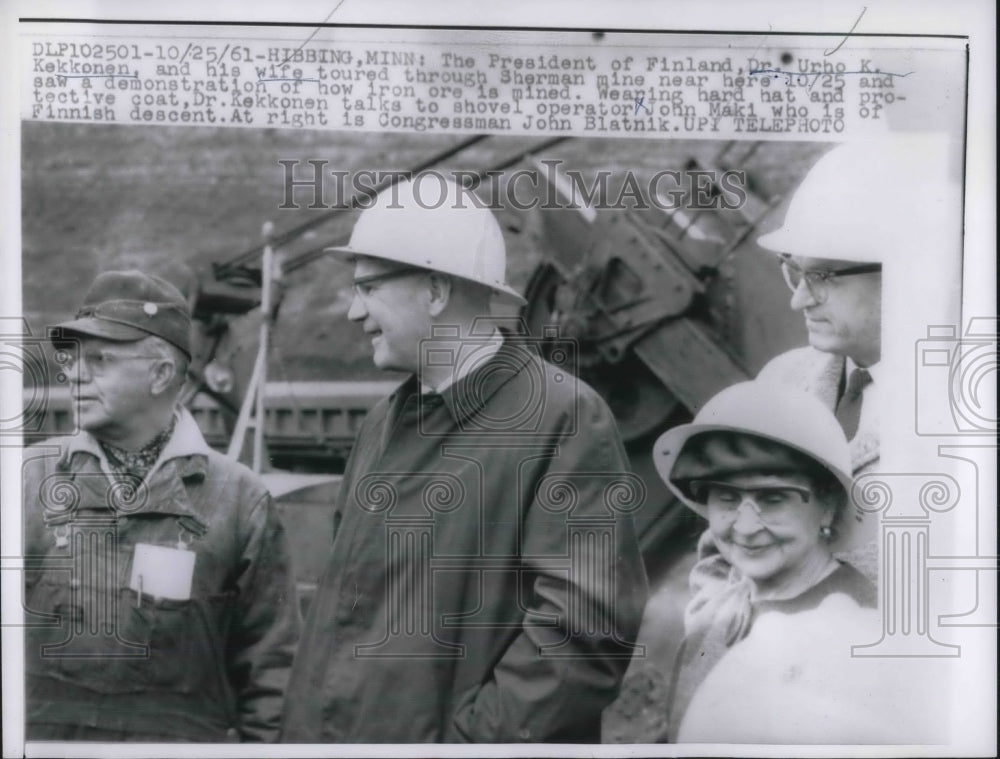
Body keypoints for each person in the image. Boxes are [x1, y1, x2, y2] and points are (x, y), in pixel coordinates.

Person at [281, 176, 648, 743]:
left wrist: (465, 745)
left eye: (369, 287)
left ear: (434, 289)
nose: (354, 312)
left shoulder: (563, 417)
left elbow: (582, 637)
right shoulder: (382, 424)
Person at [22, 270, 300, 742]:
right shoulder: (25, 482)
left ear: (161, 374)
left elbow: (273, 679)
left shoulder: (239, 502)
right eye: (72, 358)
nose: (73, 373)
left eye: (100, 359)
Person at [650, 380, 897, 743]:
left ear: (828, 505)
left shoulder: (857, 635)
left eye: (773, 499)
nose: (747, 528)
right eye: (727, 497)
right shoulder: (715, 615)